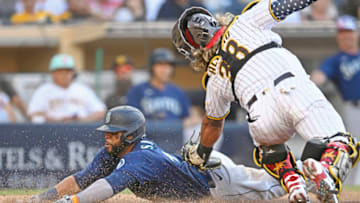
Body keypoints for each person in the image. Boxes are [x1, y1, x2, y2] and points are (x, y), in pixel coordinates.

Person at [172, 1, 360, 202]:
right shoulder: (245, 20)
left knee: (269, 150)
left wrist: (201, 153)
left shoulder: (214, 77)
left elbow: (212, 125)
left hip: (261, 115)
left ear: (193, 49)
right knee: (341, 142)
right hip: (295, 89)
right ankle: (325, 171)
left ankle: (293, 182)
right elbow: (284, 5)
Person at [31, 105, 288, 203]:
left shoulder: (140, 159)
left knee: (275, 190)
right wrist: (43, 199)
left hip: (220, 183)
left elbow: (105, 188)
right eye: (107, 132)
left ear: (130, 135)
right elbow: (82, 179)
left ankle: (319, 177)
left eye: (114, 132)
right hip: (203, 174)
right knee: (270, 182)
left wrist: (71, 202)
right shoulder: (111, 151)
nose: (107, 136)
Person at [311, 15, 360, 185]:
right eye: (343, 32)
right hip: (355, 108)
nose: (347, 35)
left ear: (356, 33)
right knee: (353, 150)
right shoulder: (336, 60)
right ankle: (348, 188)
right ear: (338, 36)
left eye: (349, 31)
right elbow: (319, 76)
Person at [27, 53, 106, 123]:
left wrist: (82, 120)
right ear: (53, 73)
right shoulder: (43, 90)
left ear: (73, 73)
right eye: (60, 71)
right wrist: (58, 120)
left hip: (80, 129)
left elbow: (101, 112)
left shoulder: (83, 89)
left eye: (67, 71)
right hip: (51, 130)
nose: (64, 75)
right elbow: (33, 114)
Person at [127, 48, 190, 120]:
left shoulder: (178, 92)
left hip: (174, 131)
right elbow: (132, 120)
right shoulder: (137, 91)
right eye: (160, 65)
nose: (165, 69)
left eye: (168, 65)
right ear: (152, 67)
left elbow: (187, 118)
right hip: (147, 131)